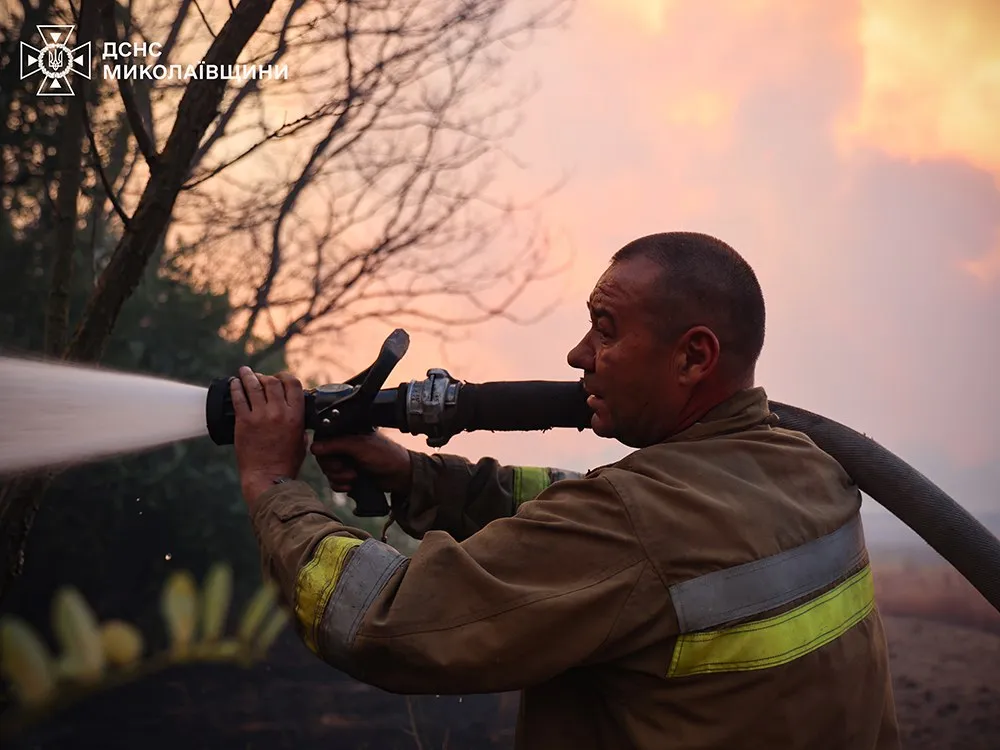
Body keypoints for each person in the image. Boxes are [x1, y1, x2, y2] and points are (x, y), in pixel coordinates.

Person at [231, 231, 900, 750]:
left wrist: (273, 483)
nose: (579, 355)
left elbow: (386, 619)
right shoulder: (808, 466)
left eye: (605, 329)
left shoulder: (635, 524)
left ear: (693, 357)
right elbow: (580, 512)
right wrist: (415, 475)